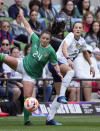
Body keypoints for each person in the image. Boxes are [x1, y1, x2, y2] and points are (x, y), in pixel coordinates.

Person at [0, 8, 63, 126]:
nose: (43, 40)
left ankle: (27, 121)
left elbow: (55, 64)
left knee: (27, 98)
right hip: (21, 64)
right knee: (4, 57)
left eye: (46, 39)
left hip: (31, 75)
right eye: (43, 38)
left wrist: (59, 73)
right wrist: (22, 16)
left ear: (49, 40)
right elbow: (28, 27)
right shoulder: (35, 39)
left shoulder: (50, 51)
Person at [46, 21, 95, 125]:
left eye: (80, 28)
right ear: (73, 29)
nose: (77, 29)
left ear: (82, 30)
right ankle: (62, 96)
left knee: (58, 94)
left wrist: (91, 65)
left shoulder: (82, 41)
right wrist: (68, 58)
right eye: (76, 27)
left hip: (61, 67)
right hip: (56, 62)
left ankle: (50, 119)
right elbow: (64, 48)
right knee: (71, 71)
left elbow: (85, 53)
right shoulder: (70, 36)